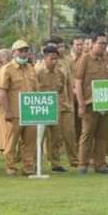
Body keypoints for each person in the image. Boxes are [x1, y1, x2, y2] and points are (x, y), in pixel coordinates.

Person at [75, 33, 108, 175]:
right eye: (100, 43)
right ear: (92, 44)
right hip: (89, 103)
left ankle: (100, 164)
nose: (103, 46)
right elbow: (78, 82)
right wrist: (81, 104)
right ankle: (83, 164)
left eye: (105, 44)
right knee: (87, 134)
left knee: (102, 135)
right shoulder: (84, 59)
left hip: (104, 103)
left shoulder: (107, 60)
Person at [0, 40, 39, 176]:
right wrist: (7, 111)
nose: (23, 53)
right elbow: (2, 91)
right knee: (11, 142)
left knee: (30, 142)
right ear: (13, 52)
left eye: (25, 50)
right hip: (14, 112)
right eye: (20, 50)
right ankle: (11, 166)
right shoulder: (7, 69)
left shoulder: (31, 68)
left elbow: (36, 90)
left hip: (30, 112)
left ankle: (28, 167)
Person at [35, 44, 70, 172]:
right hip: (40, 108)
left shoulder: (59, 73)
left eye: (56, 59)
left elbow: (61, 89)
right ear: (45, 58)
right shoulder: (37, 72)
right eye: (51, 58)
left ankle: (55, 163)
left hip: (55, 108)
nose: (54, 61)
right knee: (39, 137)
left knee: (56, 137)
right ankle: (36, 163)